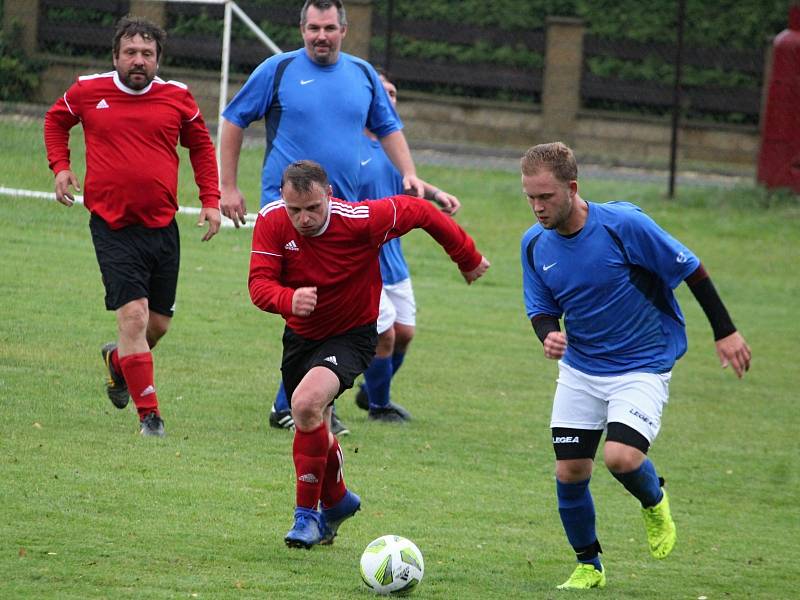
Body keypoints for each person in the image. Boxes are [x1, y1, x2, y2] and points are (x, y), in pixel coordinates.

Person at [519, 142, 751, 590]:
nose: (537, 207)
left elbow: (693, 269)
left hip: (641, 365)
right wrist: (547, 334)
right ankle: (589, 565)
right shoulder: (534, 244)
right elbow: (540, 306)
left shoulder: (624, 226)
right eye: (530, 197)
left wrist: (726, 331)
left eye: (545, 197)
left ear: (572, 188)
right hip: (581, 369)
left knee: (621, 458)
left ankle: (654, 499)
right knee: (570, 471)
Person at [249, 160, 489, 548]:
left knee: (307, 405)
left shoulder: (362, 220)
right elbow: (259, 284)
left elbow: (423, 212)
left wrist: (467, 255)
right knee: (315, 424)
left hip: (353, 335)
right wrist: (288, 299)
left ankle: (306, 517)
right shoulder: (273, 220)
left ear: (329, 196)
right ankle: (339, 500)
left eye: (313, 208)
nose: (304, 219)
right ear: (282, 198)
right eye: (296, 210)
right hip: (300, 337)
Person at [219, 0, 425, 435]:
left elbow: (388, 127)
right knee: (305, 305)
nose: (320, 36)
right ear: (301, 28)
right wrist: (228, 186)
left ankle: (299, 401)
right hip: (287, 209)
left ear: (343, 31)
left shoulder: (363, 74)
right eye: (313, 28)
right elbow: (234, 120)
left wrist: (408, 172)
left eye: (329, 28)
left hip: (339, 213)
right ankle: (298, 402)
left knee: (331, 308)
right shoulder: (277, 70)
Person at [43, 16, 221, 437]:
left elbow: (200, 145)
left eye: (147, 54)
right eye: (130, 53)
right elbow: (55, 121)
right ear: (116, 56)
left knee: (156, 326)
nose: (138, 61)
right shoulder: (88, 90)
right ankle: (150, 417)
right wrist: (61, 167)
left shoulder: (177, 96)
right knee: (135, 318)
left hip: (162, 226)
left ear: (158, 58)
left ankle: (118, 361)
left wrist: (211, 200)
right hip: (113, 224)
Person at [352, 71, 461, 422]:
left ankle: (371, 391)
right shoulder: (351, 145)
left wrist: (435, 194)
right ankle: (379, 406)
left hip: (393, 259)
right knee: (384, 335)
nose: (389, 99)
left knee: (406, 334)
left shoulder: (394, 147)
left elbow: (406, 182)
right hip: (363, 260)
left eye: (394, 93)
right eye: (383, 93)